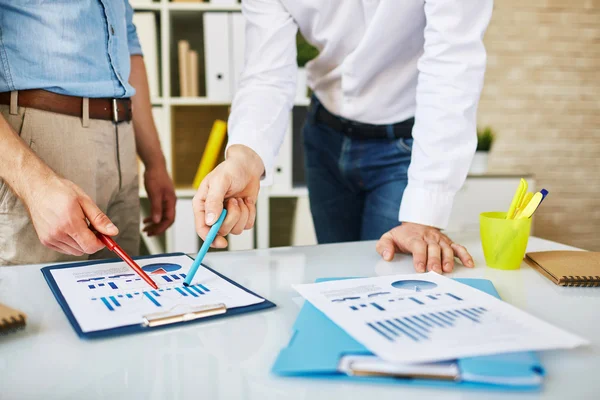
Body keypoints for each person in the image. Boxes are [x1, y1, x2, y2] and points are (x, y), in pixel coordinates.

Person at [193, 0, 493, 274]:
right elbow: (266, 72)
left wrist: (424, 211)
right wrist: (243, 159)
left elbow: (453, 64)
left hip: (407, 143)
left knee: (391, 282)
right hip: (325, 136)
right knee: (339, 279)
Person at [0, 1, 176, 265]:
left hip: (122, 144)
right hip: (40, 145)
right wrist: (33, 186)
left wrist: (155, 162)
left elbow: (128, 44)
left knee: (123, 296)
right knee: (37, 302)